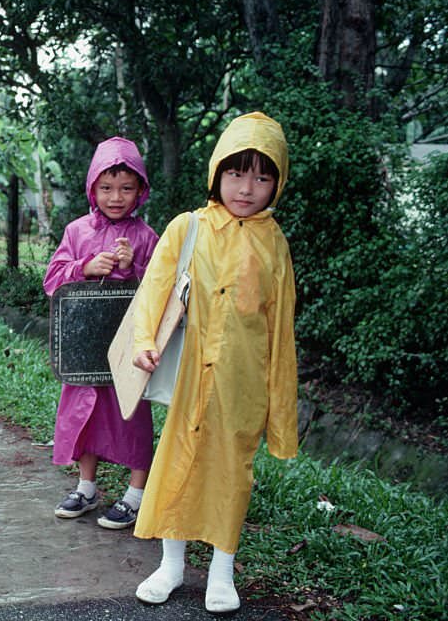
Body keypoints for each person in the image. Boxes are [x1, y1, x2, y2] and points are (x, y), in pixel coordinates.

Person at [130, 112, 297, 614]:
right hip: (188, 376)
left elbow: (281, 330)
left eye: (262, 176)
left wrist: (280, 416)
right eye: (236, 173)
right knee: (178, 461)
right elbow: (154, 289)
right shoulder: (189, 227)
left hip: (242, 382)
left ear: (277, 183)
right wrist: (142, 341)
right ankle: (172, 565)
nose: (247, 187)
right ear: (217, 173)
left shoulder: (274, 244)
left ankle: (221, 572)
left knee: (233, 471)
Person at [43, 137, 159, 530]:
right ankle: (86, 487)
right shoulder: (77, 232)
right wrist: (85, 267)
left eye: (126, 188)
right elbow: (52, 280)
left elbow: (166, 293)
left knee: (132, 416)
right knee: (85, 415)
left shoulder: (146, 237)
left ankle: (136, 495)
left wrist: (135, 267)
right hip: (85, 347)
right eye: (106, 188)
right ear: (92, 187)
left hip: (129, 349)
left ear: (140, 190)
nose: (116, 197)